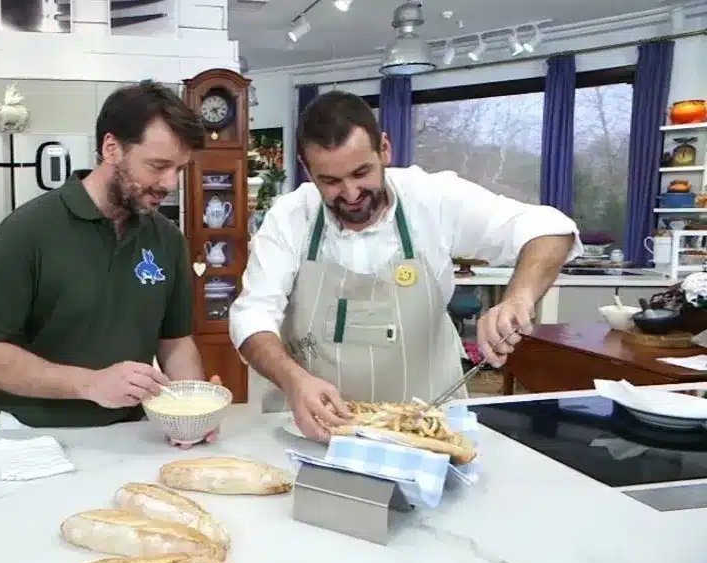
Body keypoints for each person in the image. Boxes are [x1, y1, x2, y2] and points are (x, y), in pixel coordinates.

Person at [229, 91, 581, 441]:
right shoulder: (290, 217)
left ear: (384, 149)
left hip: (428, 432)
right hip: (313, 430)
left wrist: (519, 298)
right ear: (307, 169)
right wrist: (293, 380)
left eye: (361, 172)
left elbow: (550, 229)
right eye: (331, 181)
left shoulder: (433, 198)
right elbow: (252, 315)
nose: (350, 194)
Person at [0, 80, 216, 446]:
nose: (170, 183)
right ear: (111, 148)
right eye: (158, 166)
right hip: (34, 436)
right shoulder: (26, 230)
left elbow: (175, 343)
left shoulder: (168, 239)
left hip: (135, 432)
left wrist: (191, 413)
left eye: (179, 169)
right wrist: (90, 384)